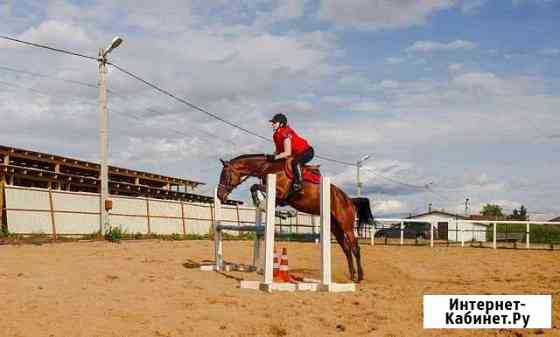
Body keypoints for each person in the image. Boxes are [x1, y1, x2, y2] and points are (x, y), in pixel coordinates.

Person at [267, 113, 314, 194]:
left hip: (307, 151)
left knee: (295, 162)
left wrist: (275, 157)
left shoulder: (285, 133)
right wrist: (272, 157)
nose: (272, 124)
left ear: (281, 124)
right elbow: (278, 151)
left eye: (274, 122)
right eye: (272, 122)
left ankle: (299, 184)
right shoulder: (275, 135)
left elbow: (287, 153)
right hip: (296, 154)